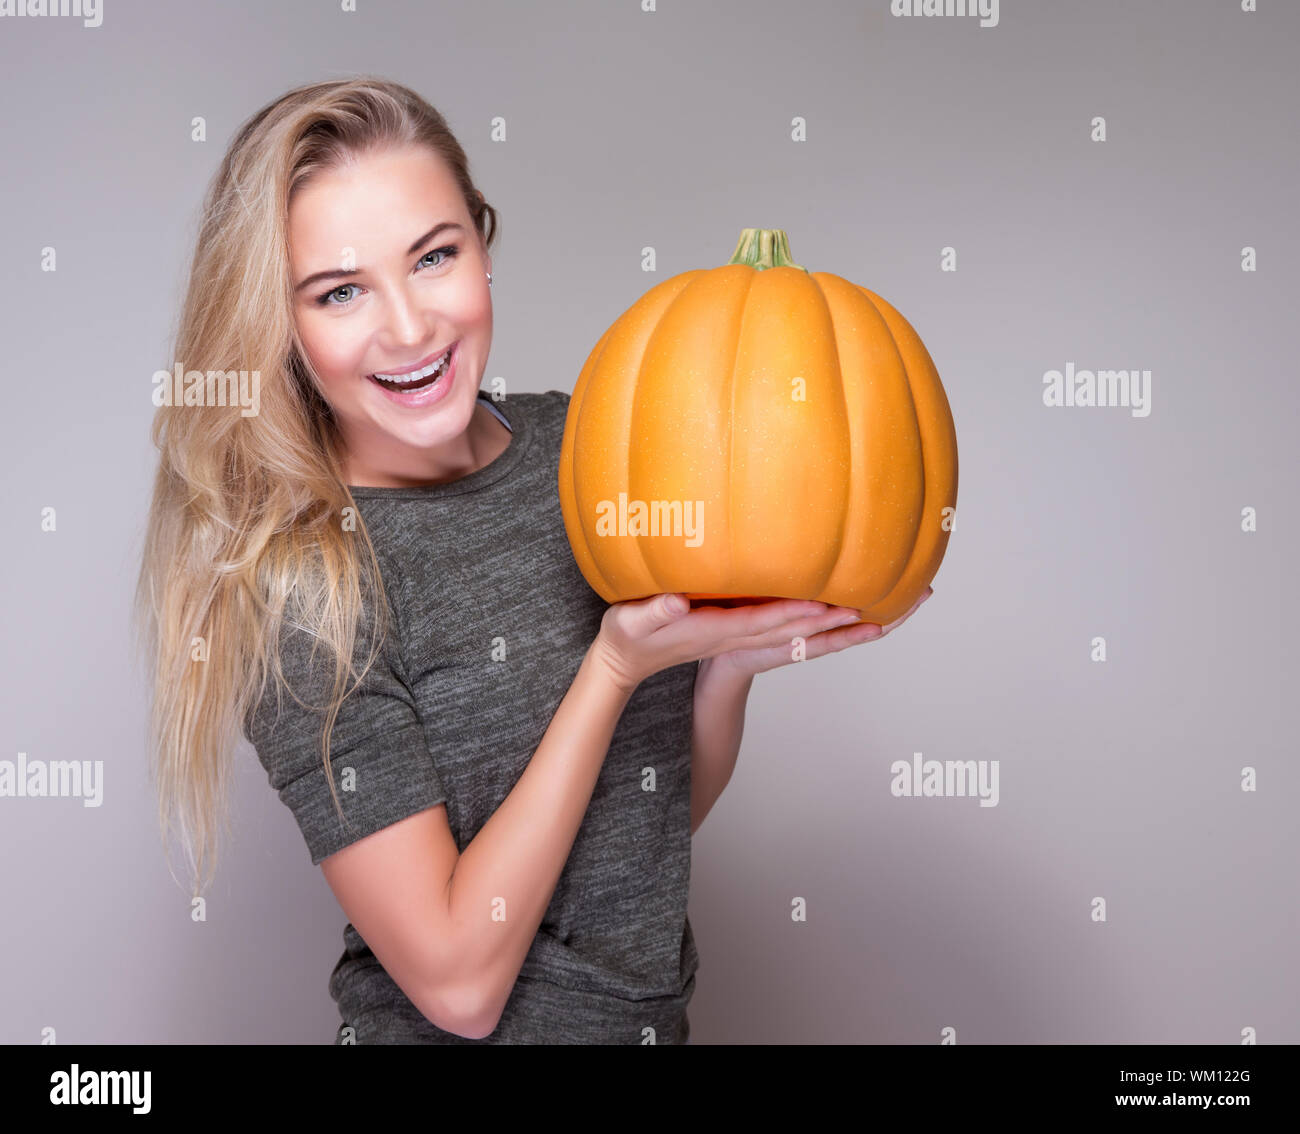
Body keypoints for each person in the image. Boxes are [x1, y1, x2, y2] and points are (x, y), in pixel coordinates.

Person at [133, 76, 932, 1045]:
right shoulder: (303, 583)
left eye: (433, 257)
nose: (410, 328)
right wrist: (614, 667)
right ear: (282, 327)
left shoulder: (595, 454)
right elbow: (457, 989)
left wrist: (720, 666)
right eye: (340, 291)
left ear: (482, 242)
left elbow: (640, 837)